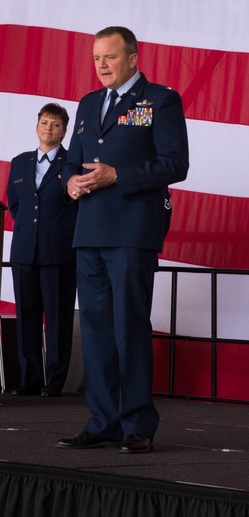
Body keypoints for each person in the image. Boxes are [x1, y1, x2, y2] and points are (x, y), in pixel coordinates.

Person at [57, 26, 189, 454]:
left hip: (132, 229)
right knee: (95, 329)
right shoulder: (88, 103)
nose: (101, 65)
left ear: (133, 58)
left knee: (128, 326)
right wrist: (71, 181)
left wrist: (119, 175)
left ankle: (137, 423)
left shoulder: (159, 101)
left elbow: (175, 163)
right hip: (89, 230)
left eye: (109, 57)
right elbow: (71, 163)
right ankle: (104, 420)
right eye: (96, 58)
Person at [4, 104, 78, 397]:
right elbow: (15, 205)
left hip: (59, 251)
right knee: (27, 316)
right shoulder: (20, 162)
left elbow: (77, 206)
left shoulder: (73, 162)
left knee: (58, 318)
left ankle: (54, 381)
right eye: (45, 122)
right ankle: (29, 378)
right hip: (24, 250)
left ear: (64, 131)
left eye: (56, 124)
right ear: (37, 126)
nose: (49, 128)